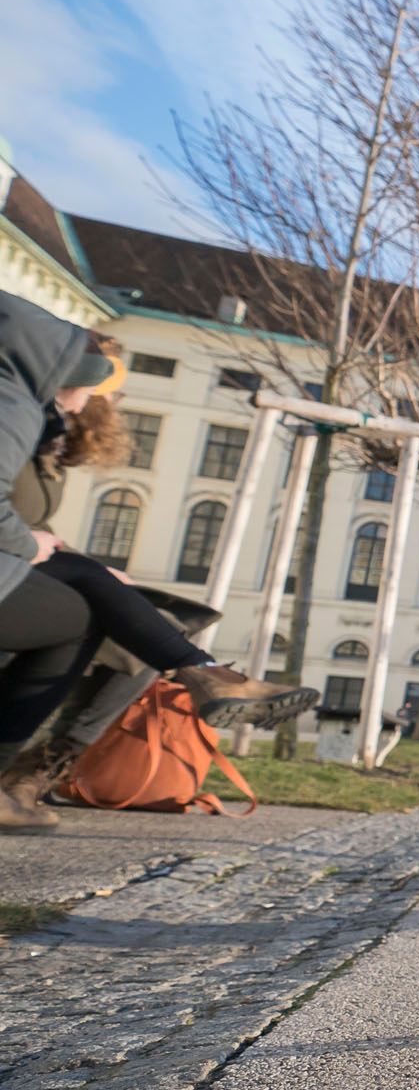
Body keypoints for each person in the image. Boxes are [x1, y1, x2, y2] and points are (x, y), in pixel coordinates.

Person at [0, 293, 320, 831]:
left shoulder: (29, 417)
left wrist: (57, 552)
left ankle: (200, 675)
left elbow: (34, 527)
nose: (80, 405)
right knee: (102, 612)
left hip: (21, 566)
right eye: (88, 386)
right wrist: (40, 548)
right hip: (17, 565)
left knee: (119, 610)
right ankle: (203, 675)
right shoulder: (15, 406)